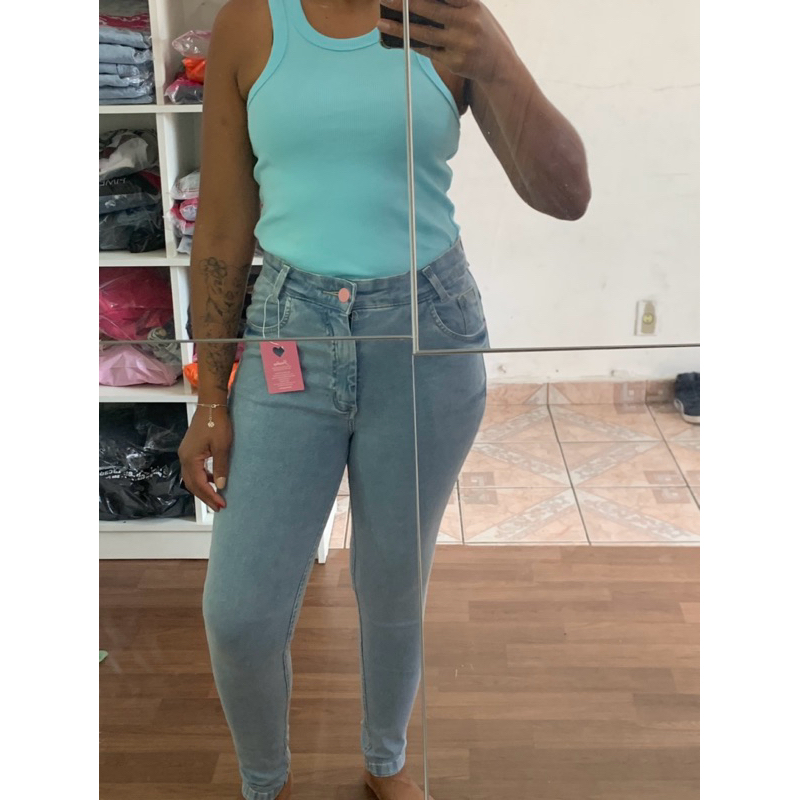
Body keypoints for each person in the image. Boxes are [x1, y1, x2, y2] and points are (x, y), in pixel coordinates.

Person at [177, 1, 590, 798]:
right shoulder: (251, 22)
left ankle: (386, 763)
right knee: (240, 613)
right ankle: (265, 784)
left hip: (426, 327)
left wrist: (495, 60)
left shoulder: (445, 17)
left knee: (395, 582)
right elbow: (223, 225)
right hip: (287, 332)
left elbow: (567, 194)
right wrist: (211, 400)